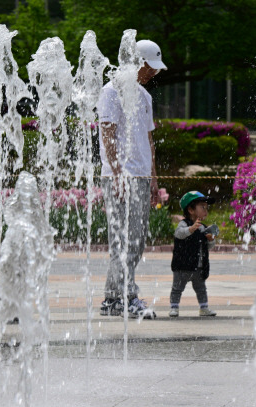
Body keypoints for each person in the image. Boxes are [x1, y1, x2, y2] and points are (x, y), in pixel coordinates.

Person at [97, 39, 167, 319]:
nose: (154, 74)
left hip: (140, 175)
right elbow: (108, 133)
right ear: (137, 63)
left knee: (135, 239)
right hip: (120, 177)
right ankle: (122, 297)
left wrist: (154, 179)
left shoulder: (145, 97)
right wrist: (117, 174)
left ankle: (115, 298)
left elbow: (148, 139)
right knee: (122, 239)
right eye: (150, 67)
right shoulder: (110, 92)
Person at [169, 191, 218, 318]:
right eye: (202, 207)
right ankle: (174, 307)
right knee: (177, 288)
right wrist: (191, 229)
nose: (206, 211)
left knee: (201, 288)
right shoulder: (184, 224)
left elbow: (207, 246)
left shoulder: (202, 227)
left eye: (206, 208)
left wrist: (211, 239)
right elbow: (179, 234)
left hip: (198, 265)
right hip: (183, 265)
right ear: (190, 209)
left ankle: (204, 307)